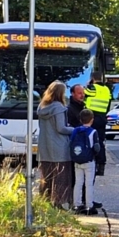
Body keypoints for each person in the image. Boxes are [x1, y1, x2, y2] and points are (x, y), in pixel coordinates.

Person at [36, 81, 74, 209]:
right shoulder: (58, 107)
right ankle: (58, 202)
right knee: (61, 176)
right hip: (59, 147)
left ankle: (45, 201)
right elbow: (61, 128)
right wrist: (75, 129)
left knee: (46, 176)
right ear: (60, 93)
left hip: (44, 147)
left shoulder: (42, 107)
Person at [70, 108, 100, 215]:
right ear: (92, 120)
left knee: (78, 182)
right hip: (89, 161)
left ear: (80, 119)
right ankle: (89, 206)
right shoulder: (93, 132)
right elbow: (96, 147)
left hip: (77, 160)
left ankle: (76, 205)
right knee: (88, 184)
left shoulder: (75, 130)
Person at [85, 72, 111, 182]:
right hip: (102, 118)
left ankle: (89, 159)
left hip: (92, 117)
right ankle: (101, 164)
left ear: (92, 79)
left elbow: (84, 94)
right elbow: (109, 104)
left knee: (89, 140)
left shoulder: (92, 88)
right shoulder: (106, 89)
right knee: (100, 141)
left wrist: (88, 84)